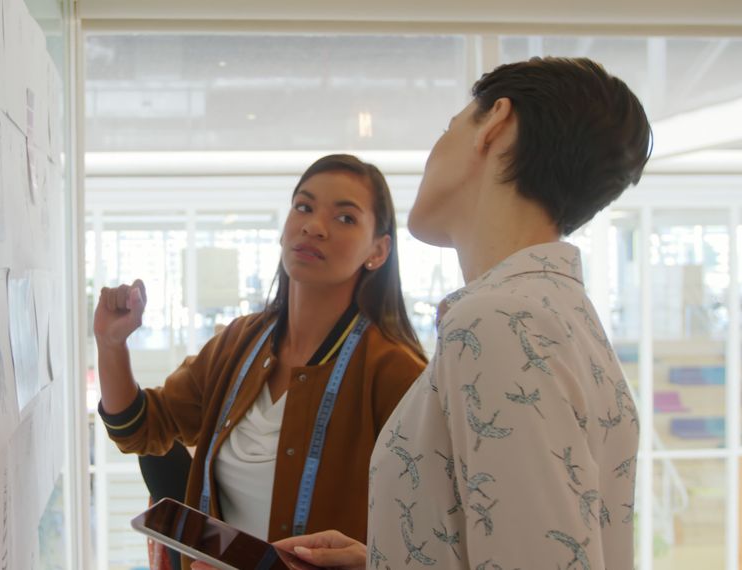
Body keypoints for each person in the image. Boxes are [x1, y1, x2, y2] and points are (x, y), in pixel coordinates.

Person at [269, 57, 651, 570]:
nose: (434, 152)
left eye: (449, 128)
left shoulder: (499, 323)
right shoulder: (553, 315)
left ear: (495, 124)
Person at [94, 154, 428, 558]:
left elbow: (432, 530)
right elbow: (142, 428)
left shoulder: (395, 371)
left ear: (378, 250)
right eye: (303, 207)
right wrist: (112, 345)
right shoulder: (239, 343)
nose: (313, 226)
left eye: (344, 218)